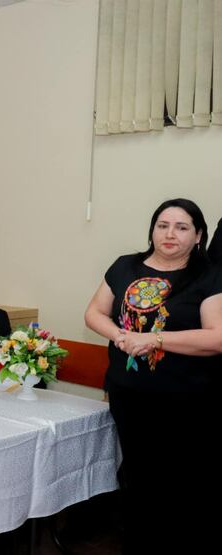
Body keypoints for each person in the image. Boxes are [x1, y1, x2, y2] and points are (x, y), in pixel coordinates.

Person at [84, 198, 222, 553]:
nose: (170, 234)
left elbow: (216, 337)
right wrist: (121, 336)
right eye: (163, 225)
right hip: (129, 397)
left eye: (181, 227)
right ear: (152, 230)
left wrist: (155, 339)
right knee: (139, 480)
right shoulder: (125, 266)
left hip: (186, 403)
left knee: (180, 486)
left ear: (198, 235)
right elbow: (95, 313)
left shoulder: (209, 275)